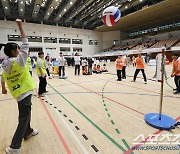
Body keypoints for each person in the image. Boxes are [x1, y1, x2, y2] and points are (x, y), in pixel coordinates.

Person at [1, 19, 38, 154]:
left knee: (25, 115)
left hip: (18, 95)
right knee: (23, 119)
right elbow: (26, 43)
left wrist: (3, 88)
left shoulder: (5, 66)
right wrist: (20, 26)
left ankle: (27, 132)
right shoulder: (19, 62)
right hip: (24, 93)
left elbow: (2, 77)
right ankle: (14, 147)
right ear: (13, 51)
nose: (19, 49)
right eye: (17, 48)